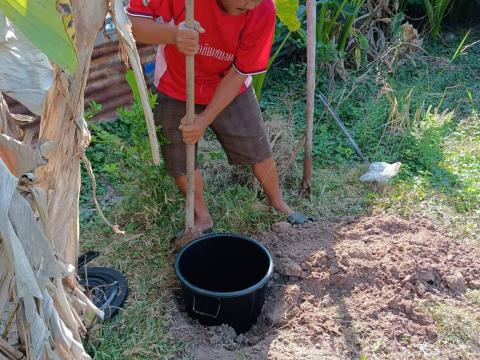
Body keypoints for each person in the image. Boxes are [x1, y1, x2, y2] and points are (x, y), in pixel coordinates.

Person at [126, 0, 311, 235]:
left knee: (256, 145)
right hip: (176, 83)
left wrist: (204, 120)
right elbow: (133, 24)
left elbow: (241, 70)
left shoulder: (262, 8)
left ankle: (278, 203)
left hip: (229, 84)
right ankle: (201, 216)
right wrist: (174, 35)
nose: (250, 6)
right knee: (179, 155)